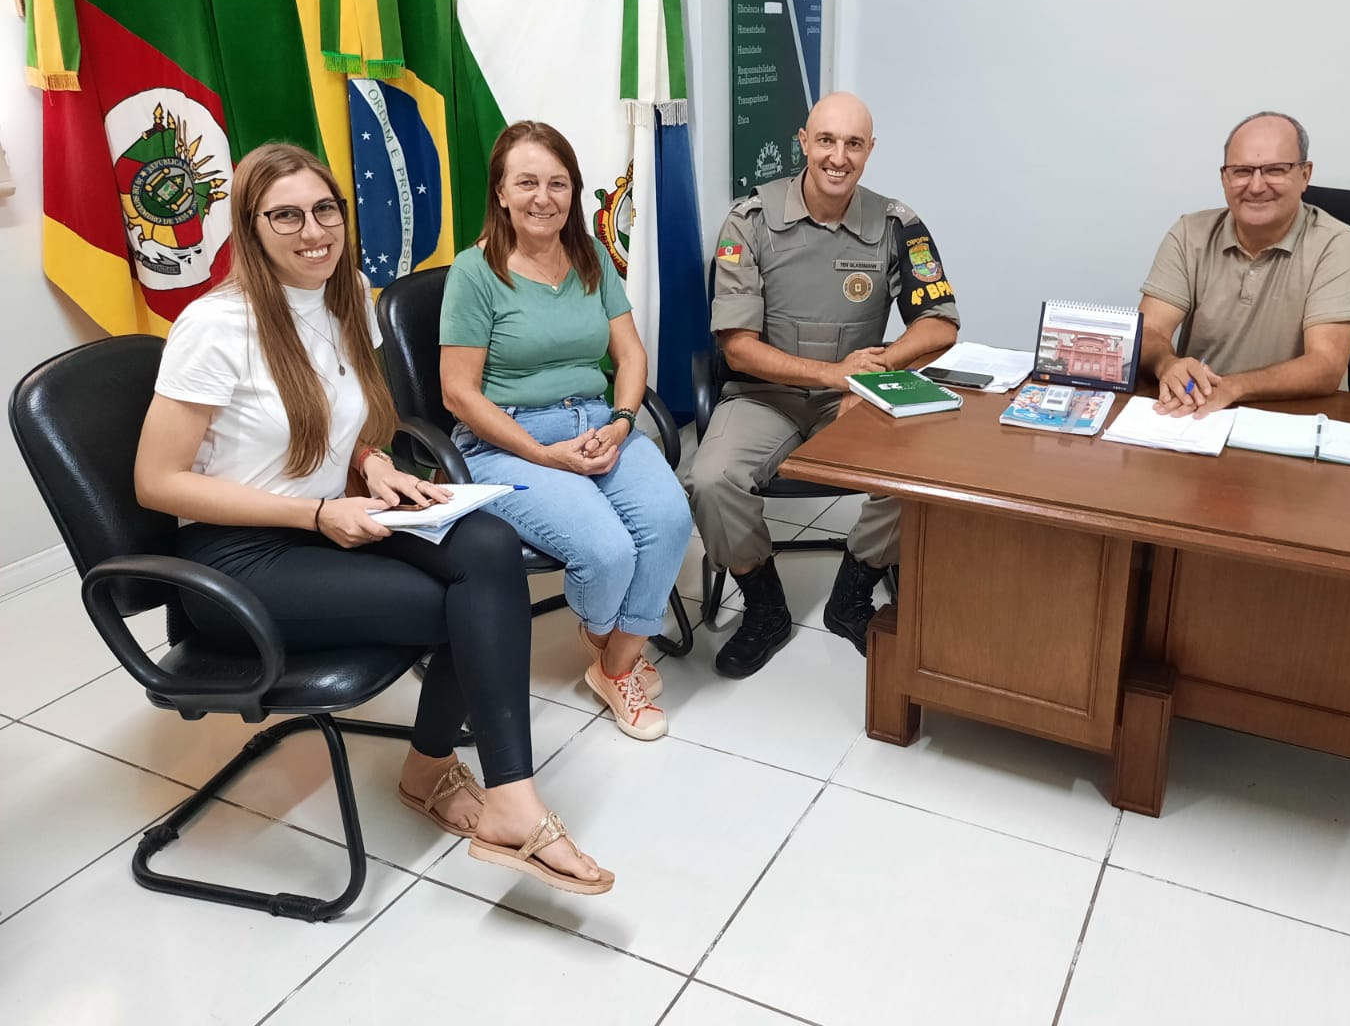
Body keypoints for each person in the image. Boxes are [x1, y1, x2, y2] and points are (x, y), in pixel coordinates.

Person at [134, 142, 611, 896]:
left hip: (336, 514)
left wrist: (374, 463)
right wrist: (317, 512)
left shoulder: (346, 291)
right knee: (467, 605)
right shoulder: (215, 326)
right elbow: (157, 483)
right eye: (285, 215)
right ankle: (492, 796)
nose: (312, 230)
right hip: (236, 563)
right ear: (251, 227)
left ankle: (467, 784)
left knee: (487, 543)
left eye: (325, 209)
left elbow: (339, 421)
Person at [685, 92, 960, 677]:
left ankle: (852, 593)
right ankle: (764, 606)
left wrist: (879, 364)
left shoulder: (895, 223)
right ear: (803, 142)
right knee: (710, 479)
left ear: (869, 151)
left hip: (856, 398)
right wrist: (830, 372)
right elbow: (737, 345)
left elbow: (940, 323)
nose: (839, 157)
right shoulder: (750, 219)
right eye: (827, 141)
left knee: (915, 476)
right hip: (765, 397)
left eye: (853, 144)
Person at [440, 121, 692, 741]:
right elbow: (458, 392)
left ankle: (614, 665)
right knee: (608, 551)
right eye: (526, 182)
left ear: (573, 191)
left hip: (598, 421)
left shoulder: (592, 256)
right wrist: (544, 455)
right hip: (510, 440)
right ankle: (613, 639)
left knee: (671, 519)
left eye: (558, 183)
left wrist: (623, 420)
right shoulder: (474, 273)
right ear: (500, 192)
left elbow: (630, 358)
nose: (543, 197)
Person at [1137, 111, 1350, 418]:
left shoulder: (1337, 243)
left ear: (1305, 175)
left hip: (1293, 422)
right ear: (1225, 178)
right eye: (1242, 171)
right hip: (1197, 418)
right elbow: (1148, 330)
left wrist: (1234, 387)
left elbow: (1325, 365)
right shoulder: (1189, 233)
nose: (1257, 186)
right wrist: (1167, 364)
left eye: (1275, 170)